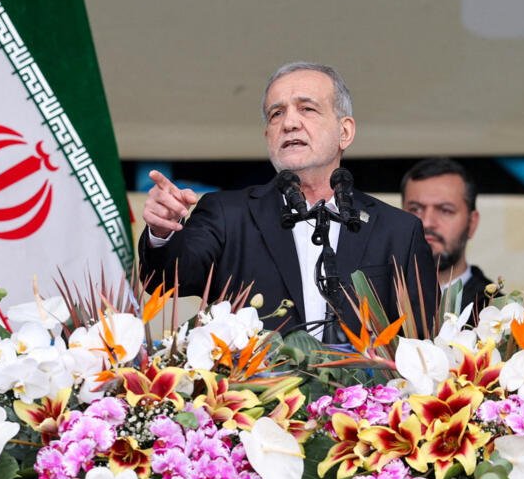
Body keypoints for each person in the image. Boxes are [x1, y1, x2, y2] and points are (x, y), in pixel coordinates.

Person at [140, 62, 438, 338]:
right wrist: (163, 232)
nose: (289, 123)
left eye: (307, 109)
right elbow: (166, 281)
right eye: (276, 113)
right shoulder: (228, 214)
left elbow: (423, 341)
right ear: (268, 134)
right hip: (257, 393)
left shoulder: (398, 231)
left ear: (344, 132)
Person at [400, 158, 492, 319]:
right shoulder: (374, 302)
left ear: (472, 223)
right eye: (415, 209)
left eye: (445, 210)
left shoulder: (498, 312)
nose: (426, 222)